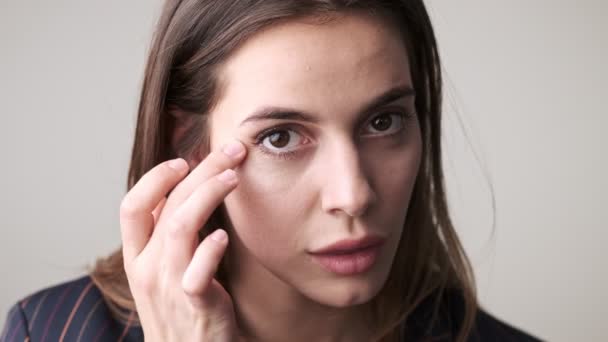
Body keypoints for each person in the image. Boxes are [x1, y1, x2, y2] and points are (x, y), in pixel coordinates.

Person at [1, 1, 542, 341]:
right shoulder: (51, 330)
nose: (351, 194)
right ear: (186, 143)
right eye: (280, 137)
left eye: (383, 121)